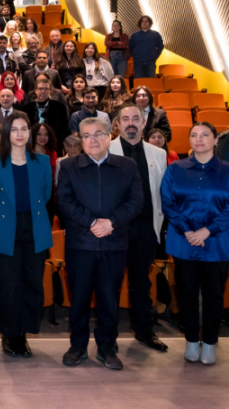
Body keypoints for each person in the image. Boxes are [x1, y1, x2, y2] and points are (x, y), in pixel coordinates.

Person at [58, 117, 143, 370]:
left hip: (114, 244)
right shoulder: (69, 166)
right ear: (80, 140)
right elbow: (64, 201)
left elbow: (136, 202)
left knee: (108, 298)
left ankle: (107, 346)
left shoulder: (127, 166)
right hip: (80, 244)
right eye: (87, 136)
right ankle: (78, 345)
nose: (93, 140)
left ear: (109, 136)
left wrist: (112, 223)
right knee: (80, 298)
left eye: (98, 134)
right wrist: (94, 222)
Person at [0, 111, 52, 358]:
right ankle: (10, 334)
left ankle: (23, 333)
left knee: (32, 283)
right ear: (6, 133)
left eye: (24, 129)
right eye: (14, 129)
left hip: (35, 227)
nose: (20, 134)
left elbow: (44, 196)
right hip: (5, 228)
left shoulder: (42, 162)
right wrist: (6, 218)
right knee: (7, 285)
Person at [160, 122, 229, 365]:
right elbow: (168, 203)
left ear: (215, 140)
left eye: (205, 135)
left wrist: (207, 230)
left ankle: (209, 342)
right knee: (187, 293)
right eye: (194, 135)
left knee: (214, 295)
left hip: (218, 242)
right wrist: (188, 230)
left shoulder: (227, 170)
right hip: (183, 240)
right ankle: (191, 340)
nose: (198, 139)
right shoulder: (175, 169)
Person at [108, 104, 169, 352]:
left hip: (144, 227)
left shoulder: (158, 154)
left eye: (136, 118)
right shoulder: (105, 148)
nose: (131, 123)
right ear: (118, 124)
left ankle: (144, 331)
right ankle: (108, 335)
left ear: (144, 123)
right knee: (109, 283)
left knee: (141, 283)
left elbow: (162, 193)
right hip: (113, 228)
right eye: (126, 119)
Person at [21, 77, 70, 152]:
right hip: (32, 146)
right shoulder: (27, 108)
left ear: (50, 91)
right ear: (36, 91)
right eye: (40, 88)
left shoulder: (59, 106)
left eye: (46, 88)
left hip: (54, 146)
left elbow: (65, 128)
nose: (43, 91)